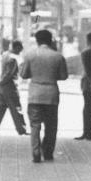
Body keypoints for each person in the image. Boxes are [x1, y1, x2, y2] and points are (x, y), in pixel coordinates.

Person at [19, 28, 69, 163]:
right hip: (51, 94)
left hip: (35, 94)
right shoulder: (58, 56)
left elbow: (23, 75)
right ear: (50, 40)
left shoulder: (29, 55)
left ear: (37, 40)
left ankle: (35, 152)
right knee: (51, 126)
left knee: (35, 125)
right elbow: (64, 76)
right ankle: (48, 153)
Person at [0, 39, 28, 136]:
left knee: (0, 107)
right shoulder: (13, 59)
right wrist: (2, 82)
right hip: (10, 86)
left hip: (3, 87)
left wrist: (0, 83)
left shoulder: (5, 55)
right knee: (16, 107)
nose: (21, 50)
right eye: (20, 48)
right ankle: (22, 129)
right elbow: (9, 74)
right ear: (16, 47)